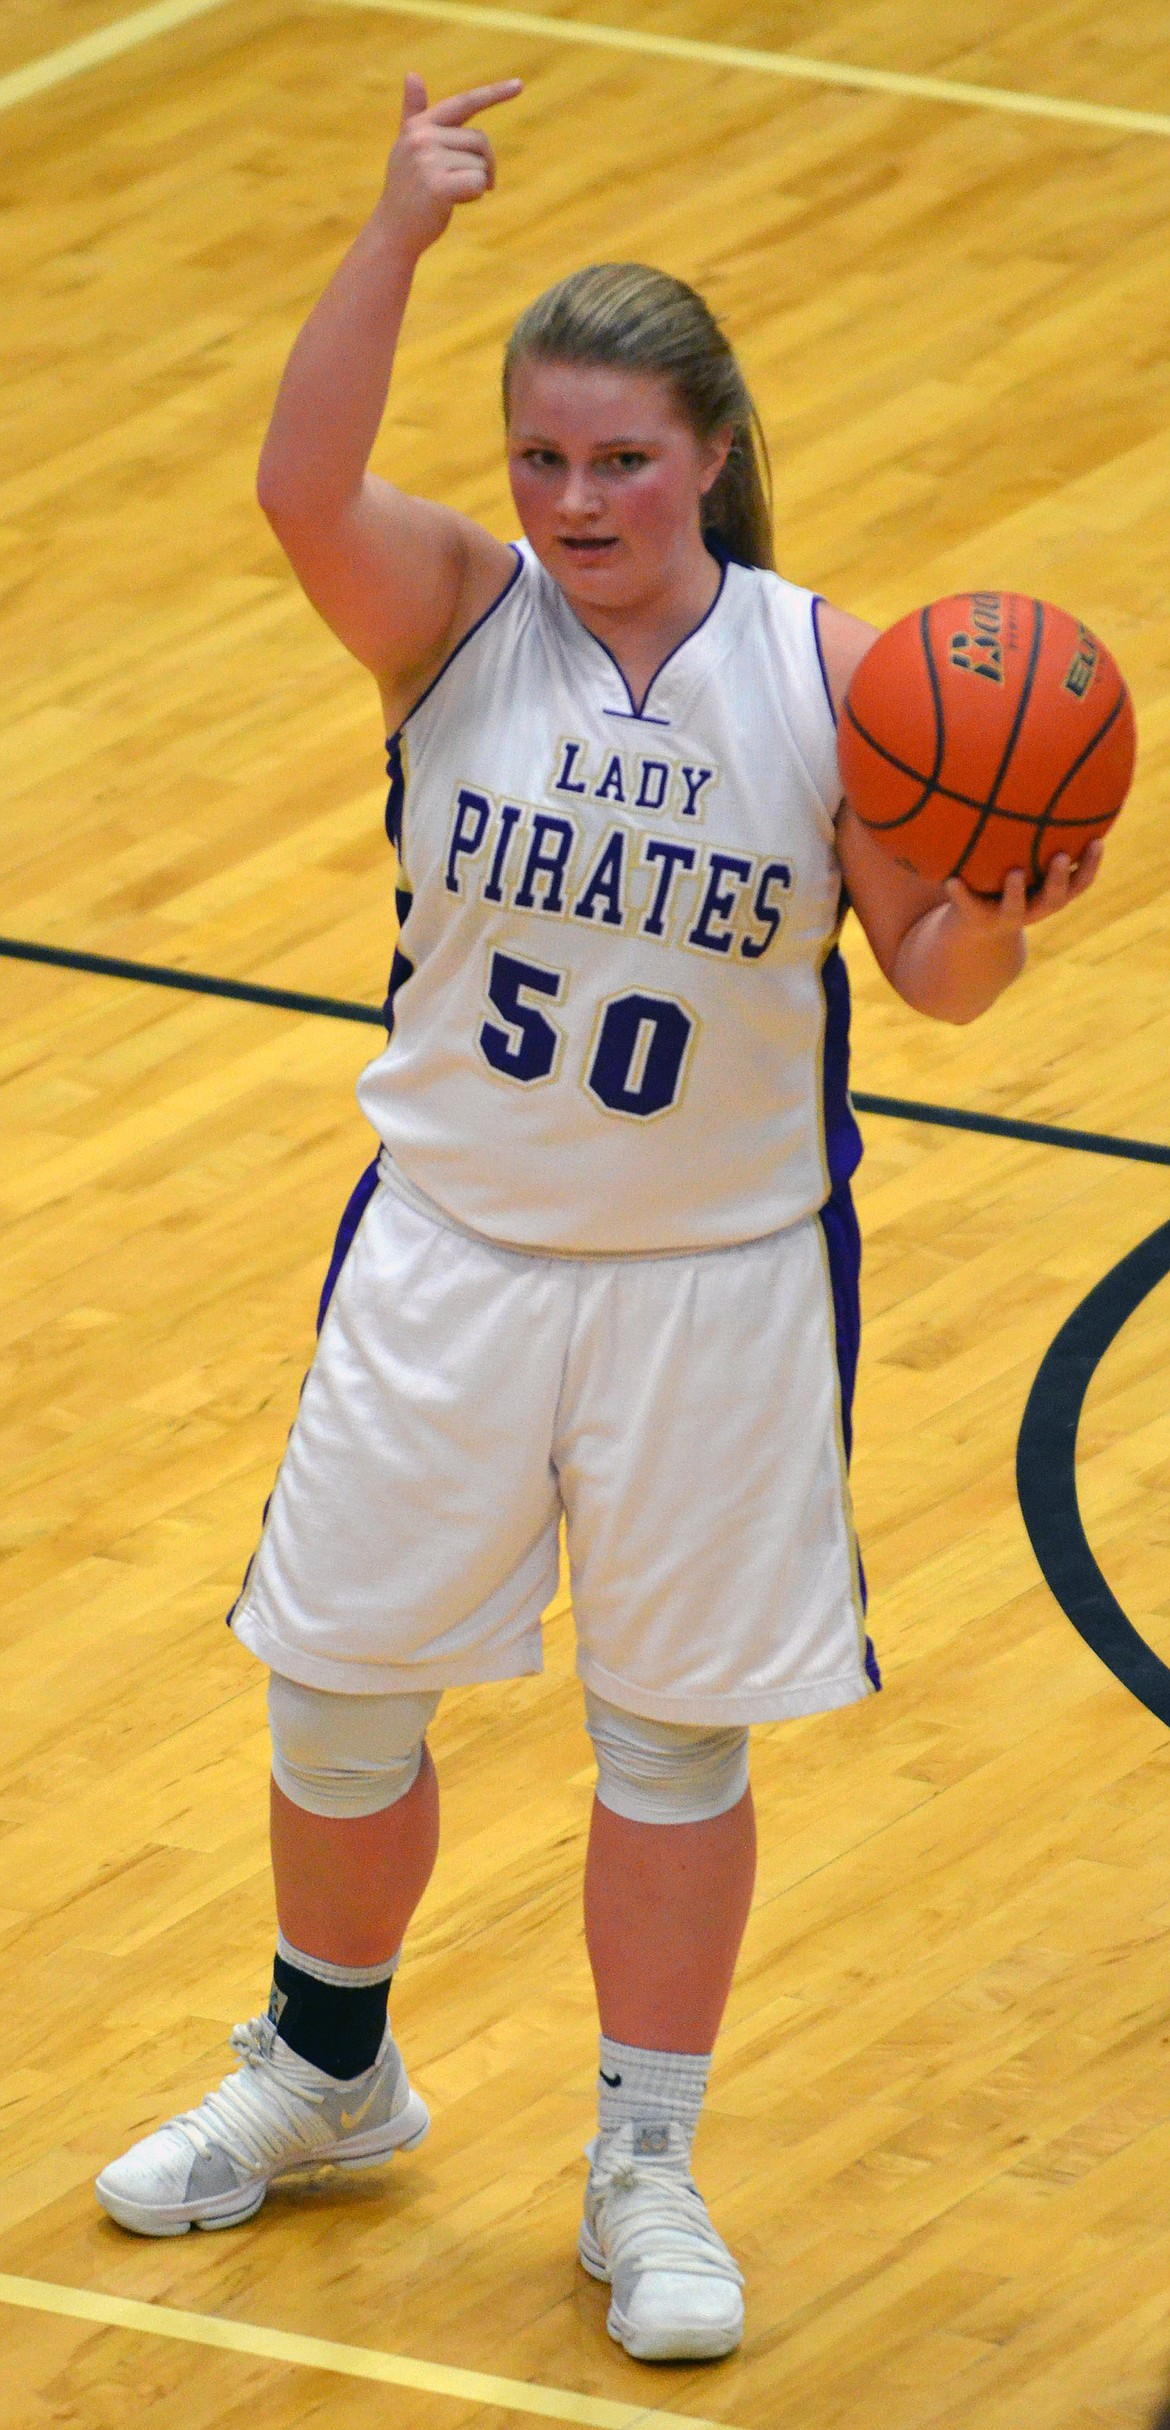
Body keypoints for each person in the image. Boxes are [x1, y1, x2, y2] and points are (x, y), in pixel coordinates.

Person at [94, 74, 1102, 2362]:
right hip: (448, 1252)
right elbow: (291, 482)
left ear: (715, 453)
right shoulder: (451, 614)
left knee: (668, 1747)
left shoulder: (835, 678)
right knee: (338, 1694)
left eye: (619, 460)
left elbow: (930, 980)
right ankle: (326, 2074)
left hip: (718, 1288)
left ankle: (644, 2159)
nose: (571, 503)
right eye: (542, 457)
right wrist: (392, 236)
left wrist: (1016, 900)